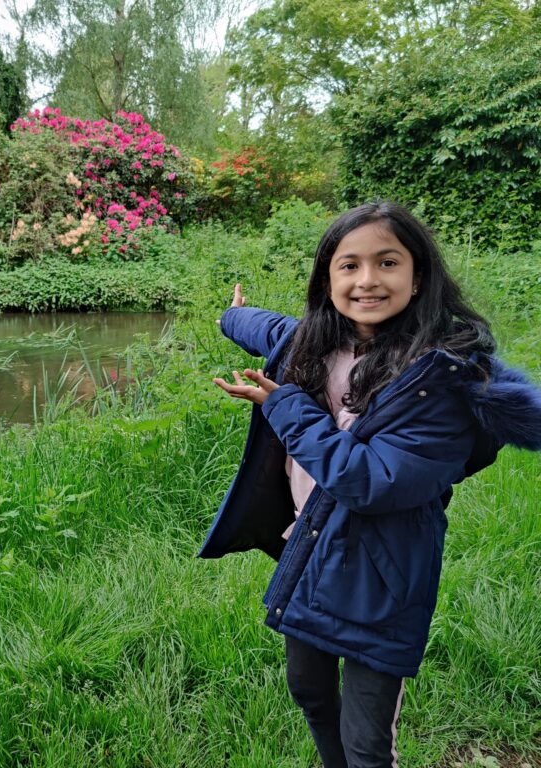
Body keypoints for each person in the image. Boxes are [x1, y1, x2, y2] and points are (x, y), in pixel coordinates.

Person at [198, 201, 541, 768]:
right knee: (308, 689)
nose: (366, 281)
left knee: (367, 742)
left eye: (387, 263)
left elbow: (369, 480)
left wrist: (283, 405)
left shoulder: (440, 380)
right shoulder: (314, 341)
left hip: (386, 570)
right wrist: (230, 317)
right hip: (310, 547)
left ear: (418, 275)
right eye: (348, 265)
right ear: (327, 278)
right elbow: (269, 328)